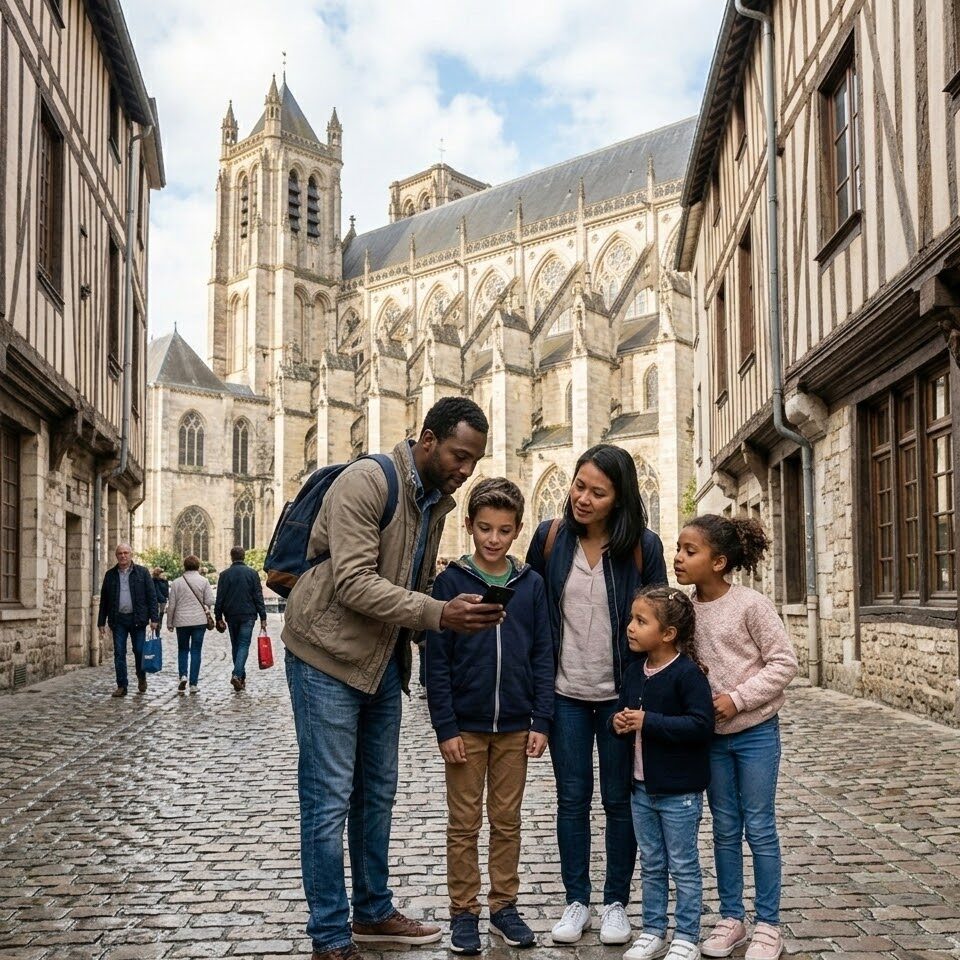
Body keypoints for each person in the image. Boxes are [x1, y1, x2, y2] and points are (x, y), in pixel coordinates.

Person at [282, 397, 505, 960]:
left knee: (376, 794)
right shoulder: (368, 481)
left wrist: (458, 605)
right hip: (326, 656)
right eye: (459, 455)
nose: (466, 469)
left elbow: (413, 581)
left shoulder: (436, 502)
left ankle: (374, 911)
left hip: (382, 662)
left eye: (474, 460)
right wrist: (438, 614)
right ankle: (330, 936)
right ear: (427, 439)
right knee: (329, 799)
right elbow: (354, 583)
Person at [525, 444, 668, 946]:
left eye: (597, 492)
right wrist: (534, 702)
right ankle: (576, 900)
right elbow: (534, 619)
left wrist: (648, 698)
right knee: (572, 799)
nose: (582, 498)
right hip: (564, 695)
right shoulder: (550, 539)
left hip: (619, 698)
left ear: (619, 497)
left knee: (618, 801)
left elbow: (661, 624)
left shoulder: (642, 546)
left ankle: (614, 903)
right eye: (579, 485)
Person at [425, 478, 554, 954]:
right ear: (469, 527)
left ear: (517, 530)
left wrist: (542, 720)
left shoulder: (531, 584)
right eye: (484, 529)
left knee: (507, 820)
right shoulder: (451, 582)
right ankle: (464, 912)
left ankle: (504, 907)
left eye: (503, 530)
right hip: (467, 728)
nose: (493, 538)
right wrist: (446, 727)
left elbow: (543, 653)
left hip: (517, 727)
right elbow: (435, 663)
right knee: (463, 824)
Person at [673, 516, 798, 960]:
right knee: (724, 828)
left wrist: (739, 699)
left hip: (756, 733)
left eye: (691, 551)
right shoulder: (682, 610)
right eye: (679, 549)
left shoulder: (751, 605)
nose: (679, 558)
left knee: (759, 826)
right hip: (711, 739)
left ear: (719, 561)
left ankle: (768, 924)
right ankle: (731, 919)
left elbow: (783, 663)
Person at [611, 587, 713, 960]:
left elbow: (700, 725)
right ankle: (653, 930)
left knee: (683, 865)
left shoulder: (687, 675)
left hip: (679, 792)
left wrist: (647, 722)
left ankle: (686, 935)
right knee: (652, 863)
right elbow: (625, 712)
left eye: (641, 621)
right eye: (632, 619)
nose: (631, 628)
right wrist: (618, 723)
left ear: (668, 633)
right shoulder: (635, 672)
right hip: (641, 789)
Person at [97, 543, 158, 698]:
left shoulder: (142, 573)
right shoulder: (110, 575)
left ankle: (141, 675)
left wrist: (154, 618)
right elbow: (104, 600)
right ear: (116, 556)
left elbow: (152, 597)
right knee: (119, 653)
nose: (123, 556)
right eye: (120, 553)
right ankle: (122, 685)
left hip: (138, 619)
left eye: (126, 553)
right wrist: (101, 621)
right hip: (118, 620)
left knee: (138, 650)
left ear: (131, 554)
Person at [215, 546, 268, 691]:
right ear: (244, 556)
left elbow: (220, 598)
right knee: (243, 645)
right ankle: (238, 675)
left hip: (231, 615)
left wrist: (218, 616)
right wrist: (263, 617)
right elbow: (258, 596)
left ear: (231, 557)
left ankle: (240, 677)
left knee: (236, 646)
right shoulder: (252, 573)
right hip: (248, 615)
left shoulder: (224, 575)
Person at [166, 555, 215, 693]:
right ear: (198, 566)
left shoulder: (176, 582)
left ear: (184, 566)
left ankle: (183, 675)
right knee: (196, 651)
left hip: (181, 621)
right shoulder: (204, 581)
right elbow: (210, 600)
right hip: (199, 620)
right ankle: (193, 684)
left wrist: (169, 622)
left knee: (182, 649)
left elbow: (172, 605)